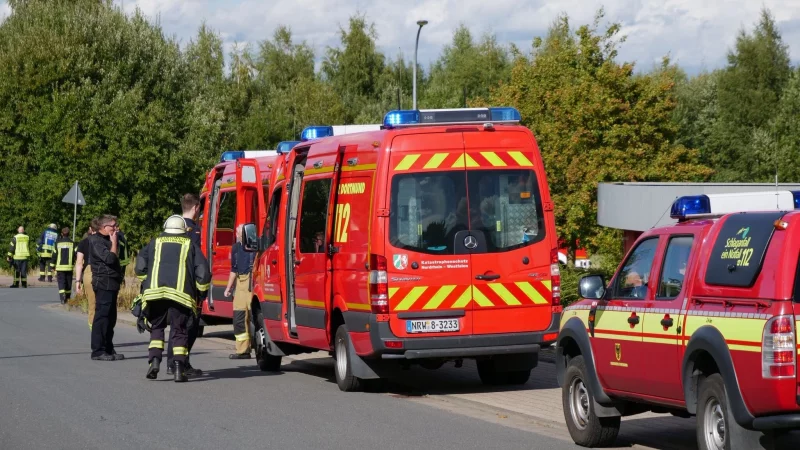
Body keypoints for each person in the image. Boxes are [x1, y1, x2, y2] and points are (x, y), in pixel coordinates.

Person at [135, 215, 210, 382]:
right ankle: (178, 368)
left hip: (154, 295)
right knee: (179, 330)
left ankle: (154, 362)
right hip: (180, 296)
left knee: (157, 327)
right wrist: (202, 293)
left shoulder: (154, 242)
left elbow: (139, 267)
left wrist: (147, 282)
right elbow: (203, 273)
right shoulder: (190, 244)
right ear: (184, 230)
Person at [166, 193, 204, 377]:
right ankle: (181, 363)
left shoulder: (171, 227)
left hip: (170, 283)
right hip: (188, 285)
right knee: (190, 326)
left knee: (176, 325)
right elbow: (195, 260)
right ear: (196, 208)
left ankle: (171, 363)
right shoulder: (194, 231)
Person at [86, 214, 124, 361]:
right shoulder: (95, 241)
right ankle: (97, 350)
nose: (115, 228)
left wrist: (115, 240)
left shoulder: (110, 239)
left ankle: (108, 347)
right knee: (102, 316)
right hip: (103, 282)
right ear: (103, 227)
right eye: (112, 226)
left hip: (113, 282)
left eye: (116, 225)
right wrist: (114, 242)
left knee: (111, 317)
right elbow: (109, 258)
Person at [224, 224, 255, 359]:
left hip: (252, 280)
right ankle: (243, 350)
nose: (237, 234)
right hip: (240, 282)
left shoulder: (255, 245)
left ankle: (259, 347)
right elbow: (233, 269)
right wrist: (228, 287)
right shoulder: (236, 248)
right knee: (239, 317)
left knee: (253, 316)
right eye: (237, 232)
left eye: (239, 232)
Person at [75, 221, 98, 329]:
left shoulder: (84, 242)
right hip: (105, 273)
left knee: (92, 305)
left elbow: (79, 263)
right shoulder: (107, 240)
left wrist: (78, 281)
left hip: (89, 272)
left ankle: (94, 331)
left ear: (90, 228)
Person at [54, 227, 76, 304]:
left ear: (62, 234)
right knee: (68, 283)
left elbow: (54, 255)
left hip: (60, 267)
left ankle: (62, 298)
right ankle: (68, 298)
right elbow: (76, 254)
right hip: (69, 267)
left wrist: (52, 266)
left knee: (61, 282)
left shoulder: (57, 243)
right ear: (69, 234)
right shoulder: (73, 243)